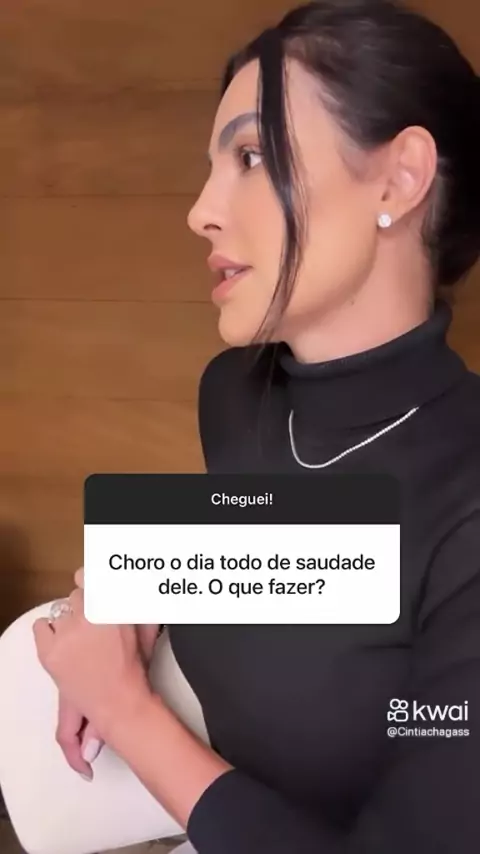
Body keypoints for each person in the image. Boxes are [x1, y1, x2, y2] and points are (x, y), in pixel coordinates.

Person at [33, 0, 480, 851]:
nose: (201, 210)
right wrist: (139, 580)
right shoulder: (237, 394)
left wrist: (126, 709)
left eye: (250, 156)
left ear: (398, 180)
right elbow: (296, 545)